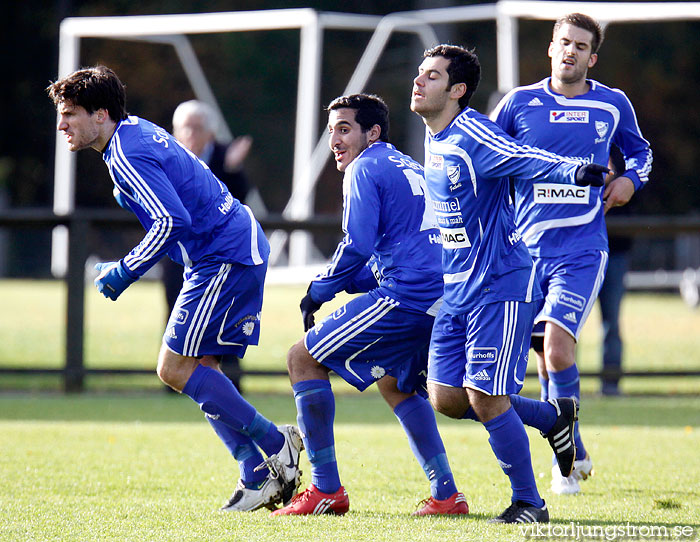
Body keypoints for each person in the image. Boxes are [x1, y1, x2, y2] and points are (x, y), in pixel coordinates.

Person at [47, 65, 302, 513]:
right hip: (228, 247)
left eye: (70, 113)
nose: (61, 124)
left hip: (224, 254)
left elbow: (173, 221)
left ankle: (274, 441)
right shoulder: (131, 135)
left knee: (172, 368)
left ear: (101, 113)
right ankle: (254, 472)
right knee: (201, 370)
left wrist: (125, 269)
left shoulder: (126, 150)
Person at [410, 44, 608, 524]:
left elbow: (522, 155)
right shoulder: (433, 138)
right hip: (456, 291)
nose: (418, 81)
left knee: (486, 396)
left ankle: (529, 503)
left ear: (457, 91)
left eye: (432, 76)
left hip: (500, 282)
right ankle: (552, 418)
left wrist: (574, 170)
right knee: (447, 398)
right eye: (420, 73)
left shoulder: (471, 130)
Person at [272, 94, 469, 517]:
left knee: (302, 359)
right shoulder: (406, 164)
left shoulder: (363, 168)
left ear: (372, 132)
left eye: (344, 129)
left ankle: (325, 489)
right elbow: (395, 248)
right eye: (331, 132)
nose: (335, 141)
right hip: (442, 293)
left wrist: (321, 289)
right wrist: (350, 283)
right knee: (399, 384)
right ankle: (447, 494)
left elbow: (357, 245)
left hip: (409, 295)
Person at [490, 13, 652, 494]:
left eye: (580, 46)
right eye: (564, 43)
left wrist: (629, 179)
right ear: (550, 47)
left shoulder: (611, 104)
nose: (570, 52)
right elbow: (489, 158)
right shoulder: (518, 104)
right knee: (532, 361)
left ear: (591, 57)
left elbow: (641, 153)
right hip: (522, 254)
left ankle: (564, 468)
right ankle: (572, 443)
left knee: (559, 348)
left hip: (582, 249)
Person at [166, 99, 253, 391]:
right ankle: (174, 382)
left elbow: (241, 199)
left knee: (226, 321)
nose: (189, 134)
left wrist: (231, 169)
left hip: (223, 255)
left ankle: (231, 383)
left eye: (196, 128)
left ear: (210, 133)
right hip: (182, 254)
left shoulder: (224, 156)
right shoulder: (169, 157)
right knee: (176, 313)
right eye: (183, 128)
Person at [599, 145, 633, 396]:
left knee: (611, 322)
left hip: (615, 252)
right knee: (563, 326)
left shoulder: (623, 152)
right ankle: (564, 386)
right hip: (578, 251)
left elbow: (636, 196)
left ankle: (611, 384)